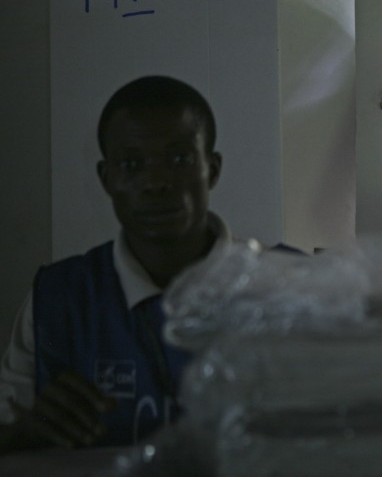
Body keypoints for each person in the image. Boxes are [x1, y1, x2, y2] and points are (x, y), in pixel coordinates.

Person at [0, 75, 230, 452]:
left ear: (213, 169)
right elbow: (7, 431)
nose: (156, 182)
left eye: (179, 159)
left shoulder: (281, 287)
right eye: (132, 163)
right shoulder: (59, 299)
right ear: (107, 179)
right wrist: (30, 432)